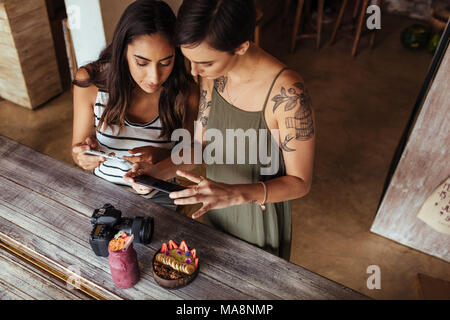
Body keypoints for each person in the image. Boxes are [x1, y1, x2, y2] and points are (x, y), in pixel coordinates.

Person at [125, 0, 315, 260]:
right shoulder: (210, 75)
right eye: (189, 60)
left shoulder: (287, 93)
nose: (194, 71)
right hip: (213, 206)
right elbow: (201, 147)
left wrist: (234, 193)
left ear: (241, 46)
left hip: (257, 215)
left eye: (204, 63)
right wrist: (156, 173)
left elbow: (300, 182)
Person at [71, 0, 198, 210]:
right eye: (141, 62)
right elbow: (77, 152)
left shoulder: (185, 91)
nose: (155, 77)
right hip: (101, 194)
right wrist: (83, 157)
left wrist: (161, 157)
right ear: (122, 52)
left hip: (159, 200)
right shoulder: (91, 82)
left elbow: (192, 152)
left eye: (166, 62)